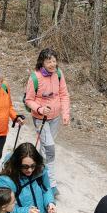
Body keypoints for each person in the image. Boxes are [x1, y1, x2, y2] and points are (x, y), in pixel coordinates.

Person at [24, 48, 71, 196]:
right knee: (50, 149)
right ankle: (51, 183)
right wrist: (39, 109)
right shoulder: (35, 78)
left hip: (55, 117)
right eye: (49, 61)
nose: (52, 64)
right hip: (41, 119)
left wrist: (65, 113)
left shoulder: (58, 73)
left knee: (46, 149)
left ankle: (36, 171)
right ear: (42, 62)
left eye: (54, 61)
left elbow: (64, 94)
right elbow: (28, 100)